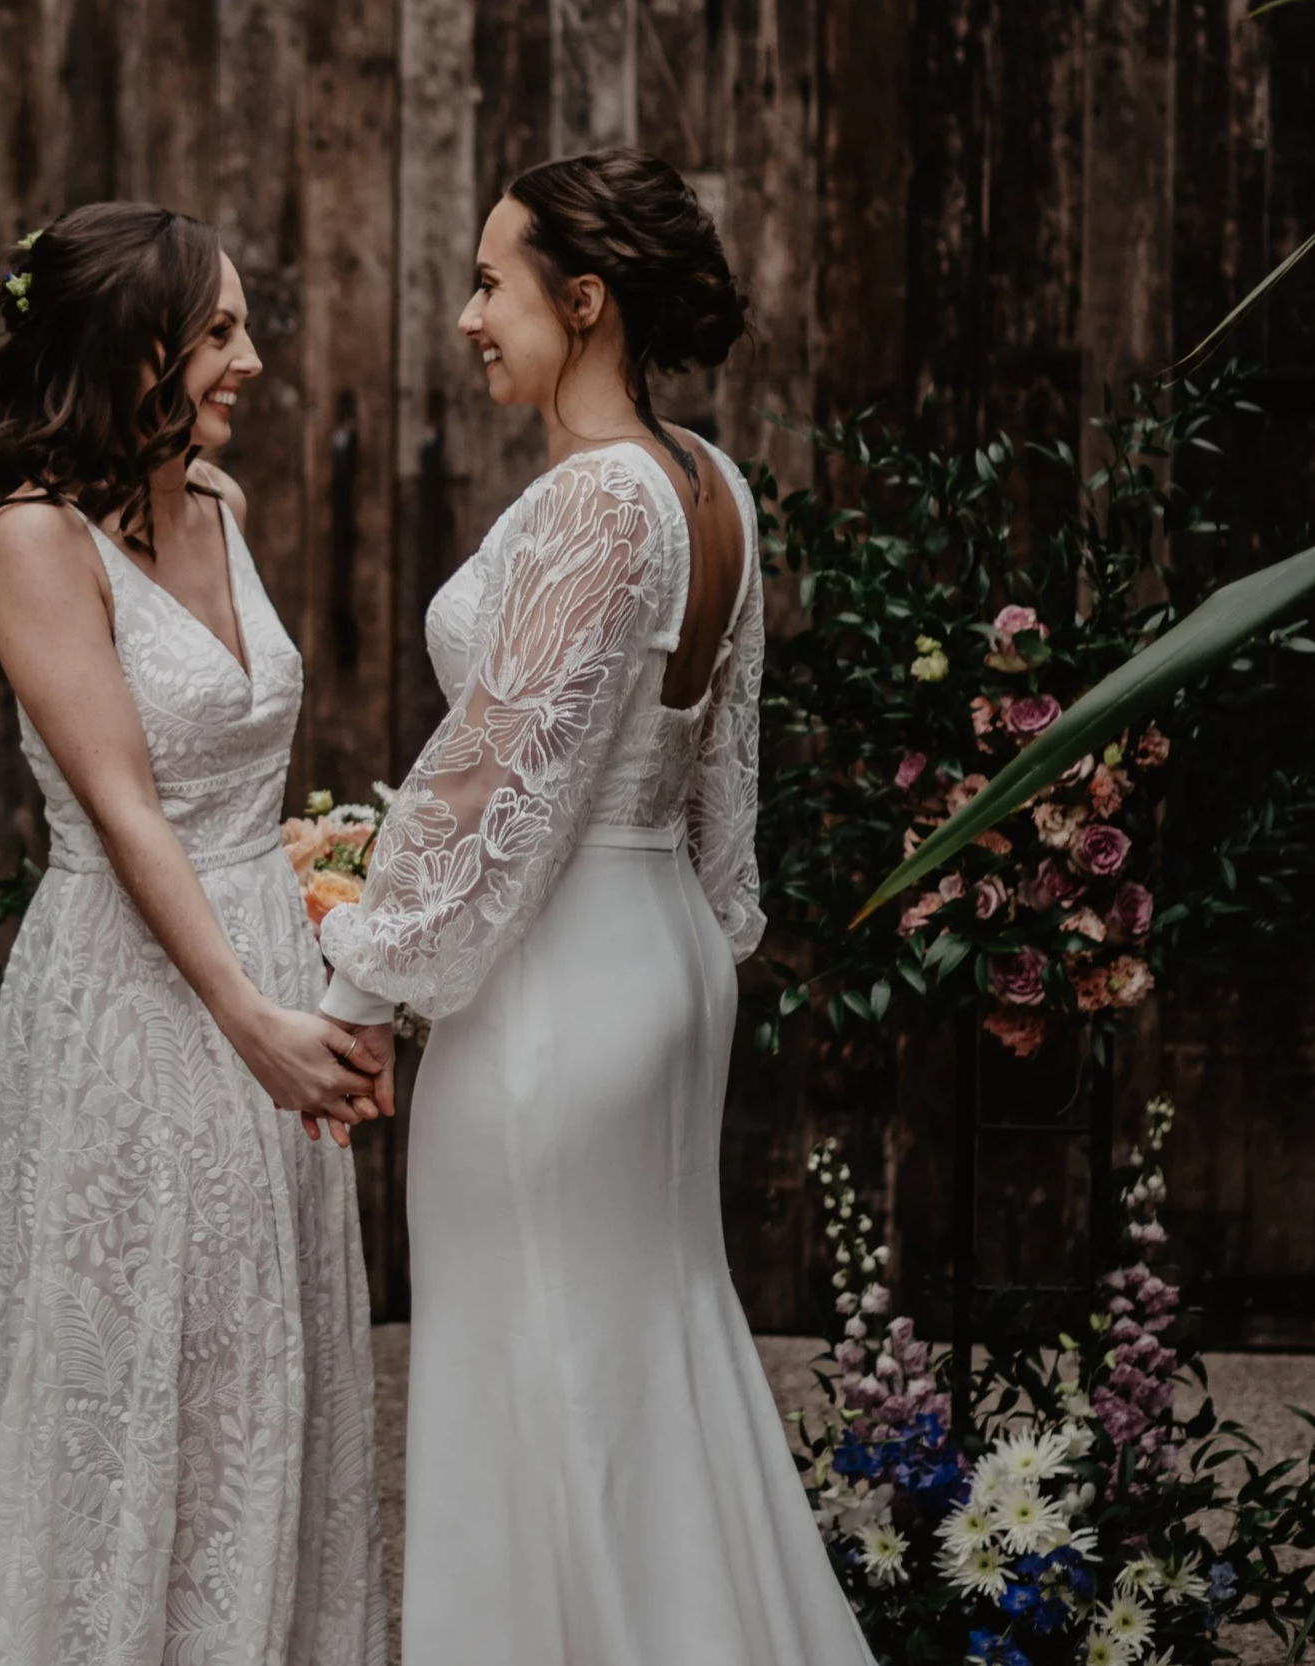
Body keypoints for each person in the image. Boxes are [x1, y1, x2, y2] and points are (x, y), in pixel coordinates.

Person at [316, 149, 876, 1664]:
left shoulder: (596, 506)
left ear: (586, 299)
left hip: (559, 989)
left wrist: (357, 983)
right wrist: (696, 942)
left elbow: (493, 776)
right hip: (663, 958)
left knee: (537, 1381)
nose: (466, 317)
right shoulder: (713, 487)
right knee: (645, 1366)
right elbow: (714, 783)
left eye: (492, 283)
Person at [0, 202, 387, 1666]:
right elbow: (131, 810)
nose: (253, 359)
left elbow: (242, 779)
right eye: (218, 330)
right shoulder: (39, 540)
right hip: (140, 995)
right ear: (129, 345)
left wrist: (331, 925)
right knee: (120, 1368)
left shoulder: (215, 501)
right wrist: (252, 1017)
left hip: (268, 965)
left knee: (245, 1368)